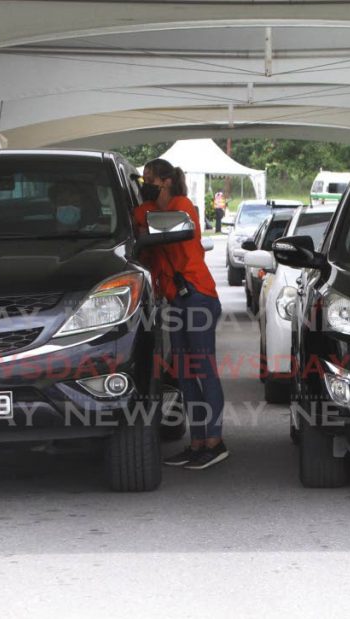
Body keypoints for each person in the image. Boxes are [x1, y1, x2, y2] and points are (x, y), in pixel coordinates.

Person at [135, 158, 228, 470]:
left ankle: (215, 441)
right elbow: (143, 245)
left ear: (166, 181)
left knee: (203, 369)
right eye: (142, 179)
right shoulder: (148, 211)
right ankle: (198, 442)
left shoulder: (182, 205)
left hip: (198, 297)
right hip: (176, 300)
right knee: (186, 373)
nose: (144, 184)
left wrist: (142, 217)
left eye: (149, 179)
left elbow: (164, 227)